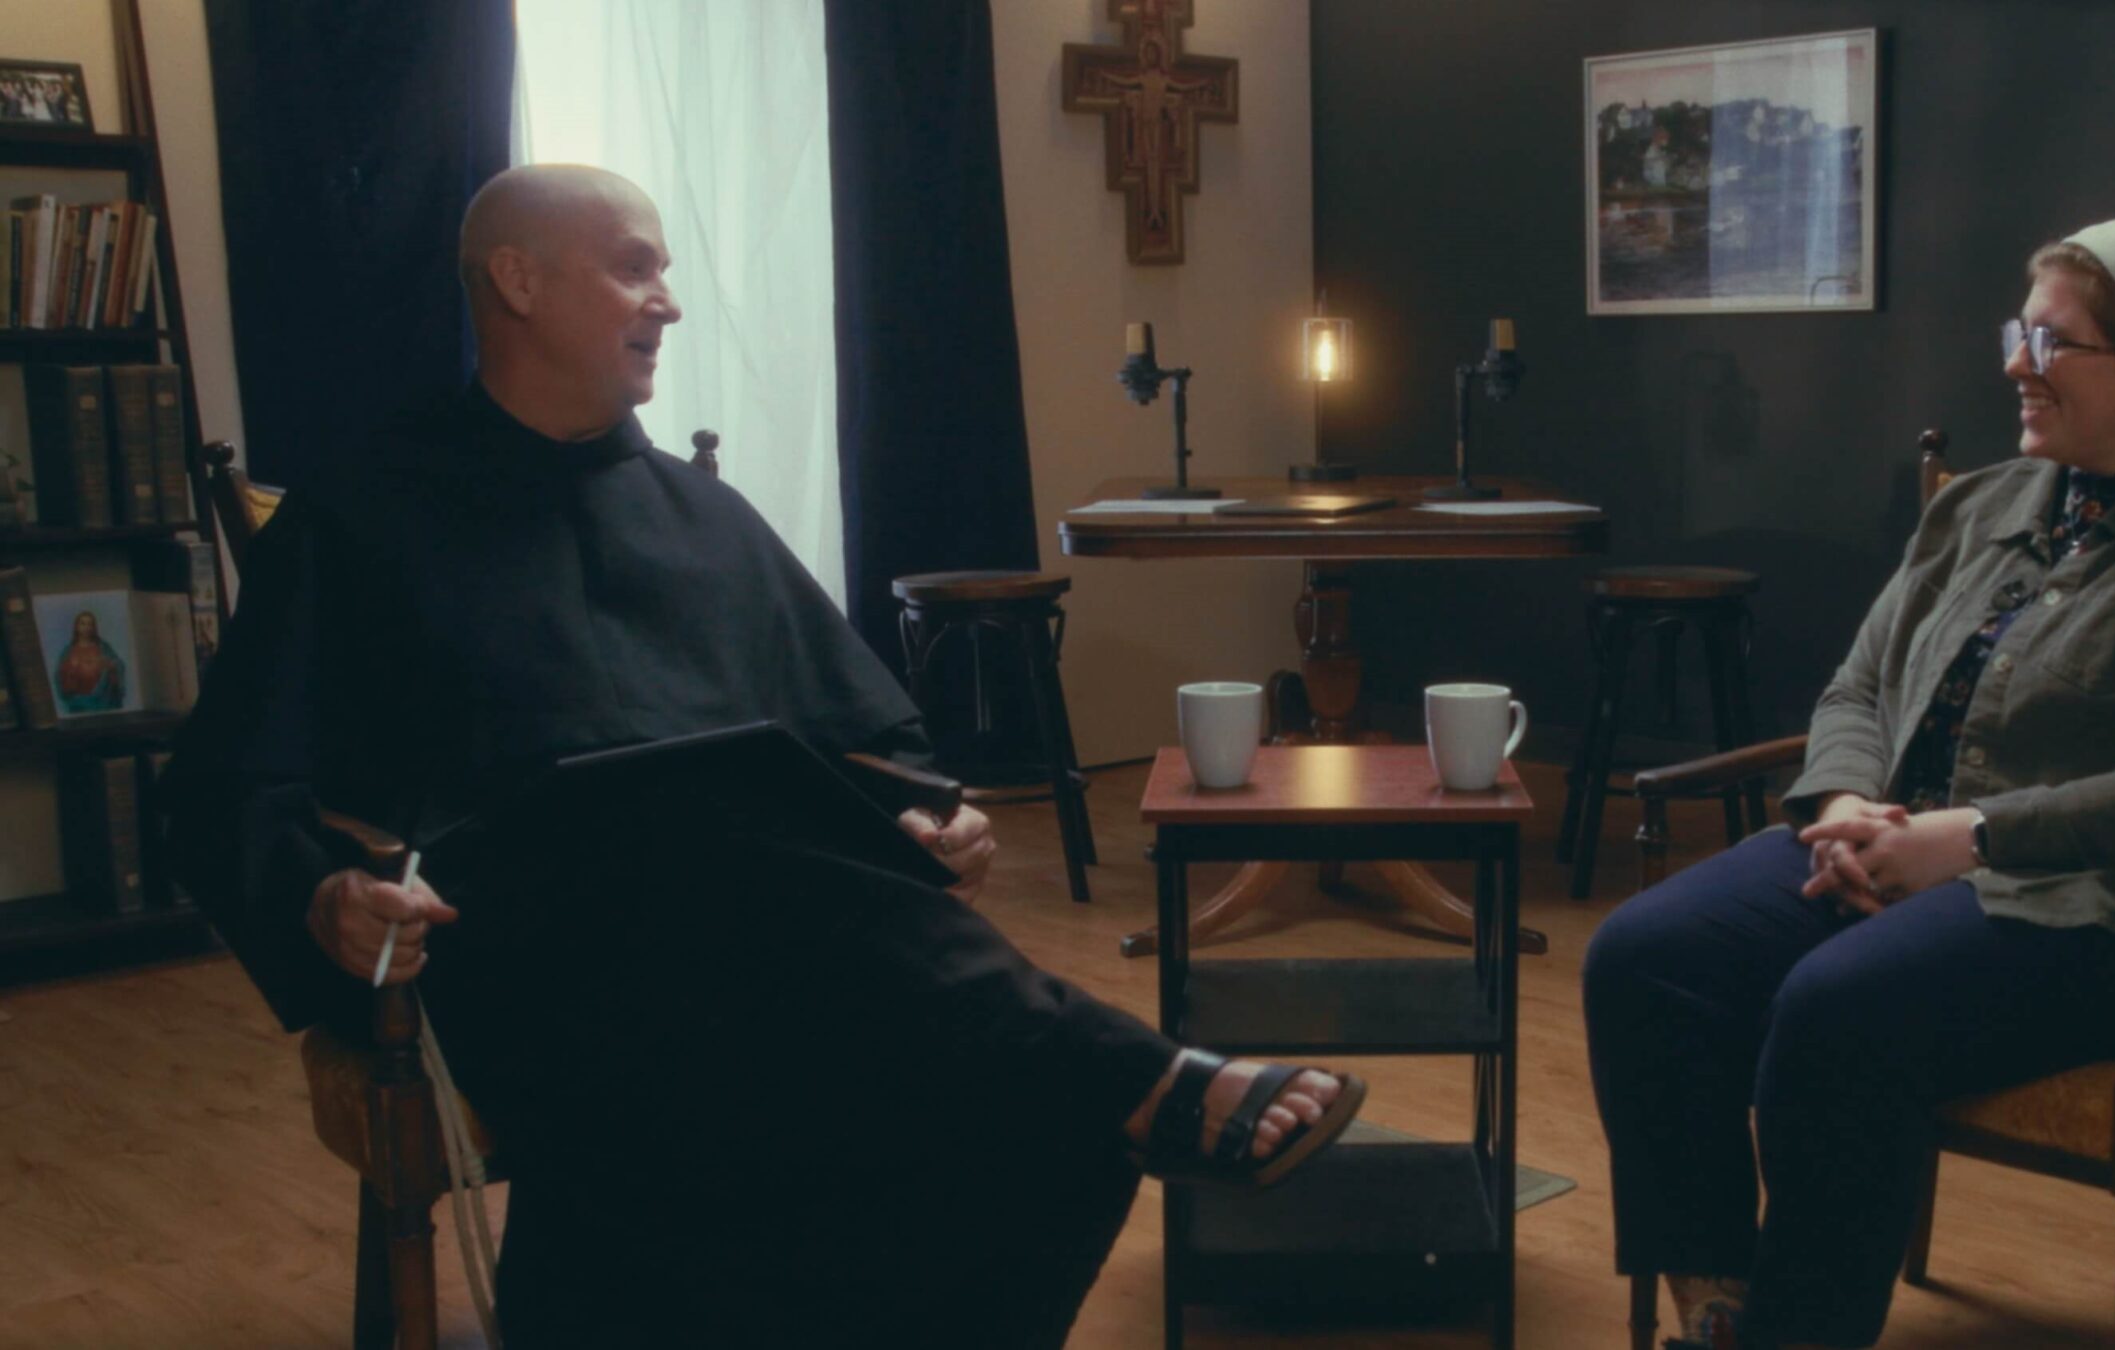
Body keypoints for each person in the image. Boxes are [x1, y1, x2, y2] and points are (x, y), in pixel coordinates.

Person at [164, 163, 1362, 1348]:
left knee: (761, 893)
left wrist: (928, 820)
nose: (670, 302)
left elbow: (869, 740)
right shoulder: (360, 514)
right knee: (790, 925)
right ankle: (1127, 1075)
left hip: (751, 930)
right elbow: (225, 790)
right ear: (516, 281)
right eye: (635, 269)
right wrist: (323, 894)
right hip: (502, 952)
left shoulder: (707, 517)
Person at [1580, 215, 2115, 1350]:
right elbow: (1857, 686)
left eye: (2053, 342)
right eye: (2016, 334)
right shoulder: (1977, 505)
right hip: (1898, 849)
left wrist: (1971, 837)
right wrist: (1845, 805)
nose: (2016, 365)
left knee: (1840, 1008)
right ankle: (1720, 1303)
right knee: (1643, 957)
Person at [54, 610, 126, 712]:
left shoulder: (103, 647)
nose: (86, 627)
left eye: (90, 624)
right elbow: (59, 674)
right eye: (83, 624)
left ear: (93, 627)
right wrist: (70, 668)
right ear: (77, 627)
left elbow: (118, 664)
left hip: (104, 701)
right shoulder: (69, 651)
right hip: (79, 703)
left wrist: (110, 665)